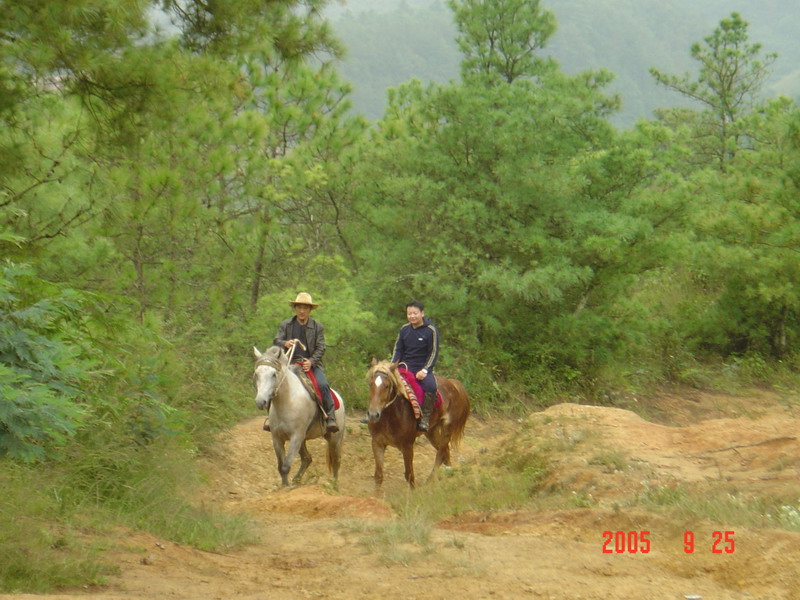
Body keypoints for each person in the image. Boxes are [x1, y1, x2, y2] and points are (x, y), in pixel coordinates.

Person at [266, 292, 338, 434]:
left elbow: (320, 347)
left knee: (323, 384)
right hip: (289, 364)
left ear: (310, 310)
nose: (302, 311)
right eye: (299, 307)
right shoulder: (286, 324)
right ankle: (270, 418)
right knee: (272, 382)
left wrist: (311, 361)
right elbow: (276, 340)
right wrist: (285, 343)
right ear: (295, 308)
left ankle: (330, 417)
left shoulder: (318, 327)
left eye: (305, 308)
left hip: (310, 365)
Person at [391, 300, 440, 431]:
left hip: (421, 368)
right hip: (404, 366)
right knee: (384, 383)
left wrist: (425, 370)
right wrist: (392, 366)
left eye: (415, 313)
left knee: (431, 386)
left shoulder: (430, 330)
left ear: (422, 313)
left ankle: (425, 418)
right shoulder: (404, 329)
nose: (412, 316)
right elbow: (398, 349)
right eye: (409, 314)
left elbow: (433, 352)